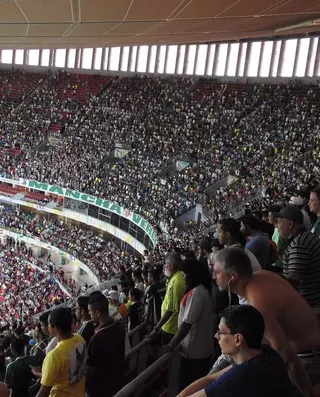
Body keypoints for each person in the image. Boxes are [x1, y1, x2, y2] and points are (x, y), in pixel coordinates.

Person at [212, 247, 320, 397]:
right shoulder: (262, 275)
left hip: (307, 360)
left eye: (217, 272)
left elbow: (285, 354)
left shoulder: (258, 301)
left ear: (233, 276)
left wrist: (308, 393)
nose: (213, 277)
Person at [177, 305, 292, 397]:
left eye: (221, 332)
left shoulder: (241, 377)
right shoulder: (267, 353)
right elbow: (210, 378)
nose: (216, 335)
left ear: (238, 339)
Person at [163, 259, 214, 390]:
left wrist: (171, 345)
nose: (183, 278)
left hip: (194, 351)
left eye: (184, 275)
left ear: (192, 275)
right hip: (199, 348)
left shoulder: (196, 293)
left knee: (189, 386)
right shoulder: (204, 289)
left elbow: (187, 324)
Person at [35, 307, 87, 397]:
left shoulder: (54, 356)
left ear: (55, 328)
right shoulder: (80, 339)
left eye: (48, 324)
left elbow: (43, 392)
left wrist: (36, 373)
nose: (48, 326)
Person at [275, 205, 320, 307]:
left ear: (290, 224)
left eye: (279, 222)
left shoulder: (299, 245)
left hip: (309, 302)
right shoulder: (304, 237)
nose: (277, 226)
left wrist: (270, 278)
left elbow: (293, 281)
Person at [87, 293, 126, 397]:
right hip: (119, 376)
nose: (89, 314)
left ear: (98, 312)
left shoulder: (97, 339)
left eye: (90, 311)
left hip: (104, 387)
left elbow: (90, 369)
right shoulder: (118, 324)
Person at [148, 252, 185, 344]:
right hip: (173, 324)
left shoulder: (175, 283)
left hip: (170, 327)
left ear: (170, 266)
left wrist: (156, 328)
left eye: (165, 265)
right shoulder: (179, 277)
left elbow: (170, 310)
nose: (164, 268)